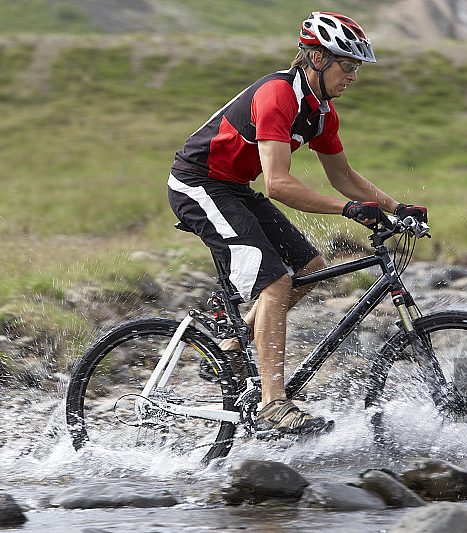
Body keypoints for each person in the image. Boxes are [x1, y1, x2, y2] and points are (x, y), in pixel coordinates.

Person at [167, 11, 427, 437]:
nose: (353, 76)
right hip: (198, 185)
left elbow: (344, 178)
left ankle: (231, 345)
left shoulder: (321, 113)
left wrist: (399, 209)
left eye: (357, 67)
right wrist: (347, 210)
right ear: (317, 59)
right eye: (348, 64)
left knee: (310, 271)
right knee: (275, 284)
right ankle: (274, 404)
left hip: (232, 186)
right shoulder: (278, 95)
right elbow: (279, 185)